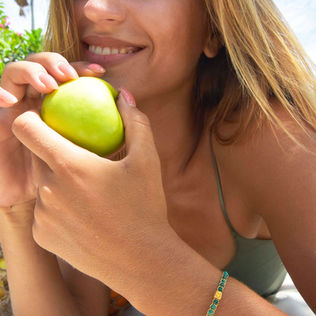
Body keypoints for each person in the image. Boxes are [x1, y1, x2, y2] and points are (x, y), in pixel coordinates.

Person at [0, 0, 315, 315]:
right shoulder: (75, 148)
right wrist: (16, 209)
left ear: (214, 28)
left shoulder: (278, 136)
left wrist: (145, 258)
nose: (94, 8)